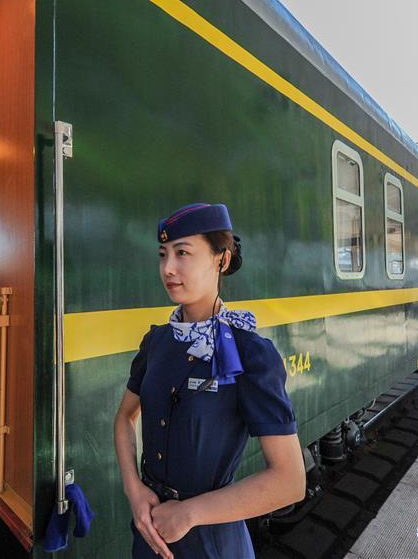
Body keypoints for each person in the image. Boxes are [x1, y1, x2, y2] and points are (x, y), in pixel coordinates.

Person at [113, 202, 305, 559]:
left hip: (210, 542)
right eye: (163, 254)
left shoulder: (251, 353)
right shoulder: (157, 341)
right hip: (148, 533)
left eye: (182, 253)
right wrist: (134, 490)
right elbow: (125, 417)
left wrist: (189, 513)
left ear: (222, 260)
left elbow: (289, 481)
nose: (167, 268)